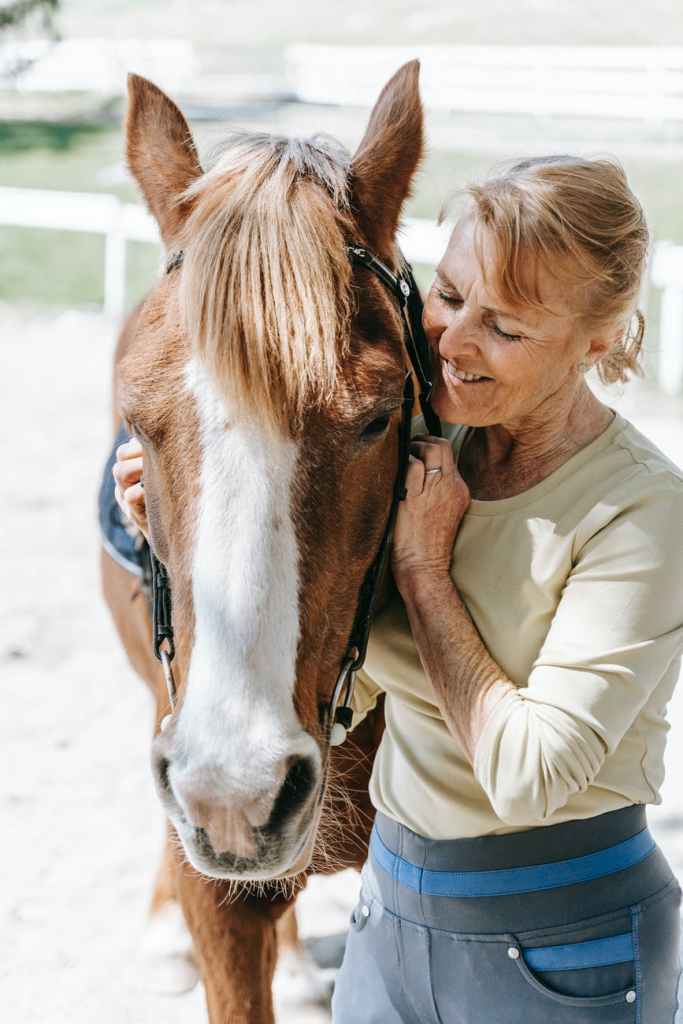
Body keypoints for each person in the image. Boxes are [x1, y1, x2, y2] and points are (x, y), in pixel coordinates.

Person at [113, 155, 683, 1022]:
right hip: (391, 924)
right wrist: (188, 539)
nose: (452, 342)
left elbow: (529, 776)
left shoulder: (642, 511)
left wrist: (419, 573)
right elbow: (349, 700)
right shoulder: (426, 458)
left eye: (505, 327)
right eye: (447, 295)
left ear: (596, 341)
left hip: (563, 937)